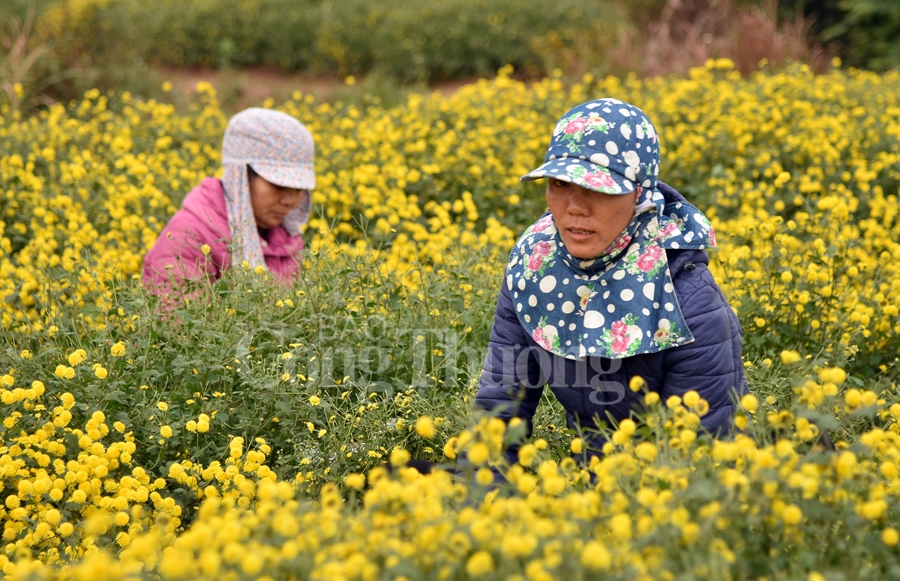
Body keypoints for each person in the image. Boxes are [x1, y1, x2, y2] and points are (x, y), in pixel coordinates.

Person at [475, 98, 748, 461]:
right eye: (560, 183)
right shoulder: (532, 268)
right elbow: (499, 409)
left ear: (640, 194)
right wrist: (478, 496)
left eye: (599, 188)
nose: (575, 207)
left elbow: (696, 461)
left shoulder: (687, 303)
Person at [142, 108, 314, 295]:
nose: (290, 201)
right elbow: (178, 322)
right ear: (239, 178)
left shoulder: (286, 237)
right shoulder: (187, 240)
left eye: (298, 189)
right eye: (278, 186)